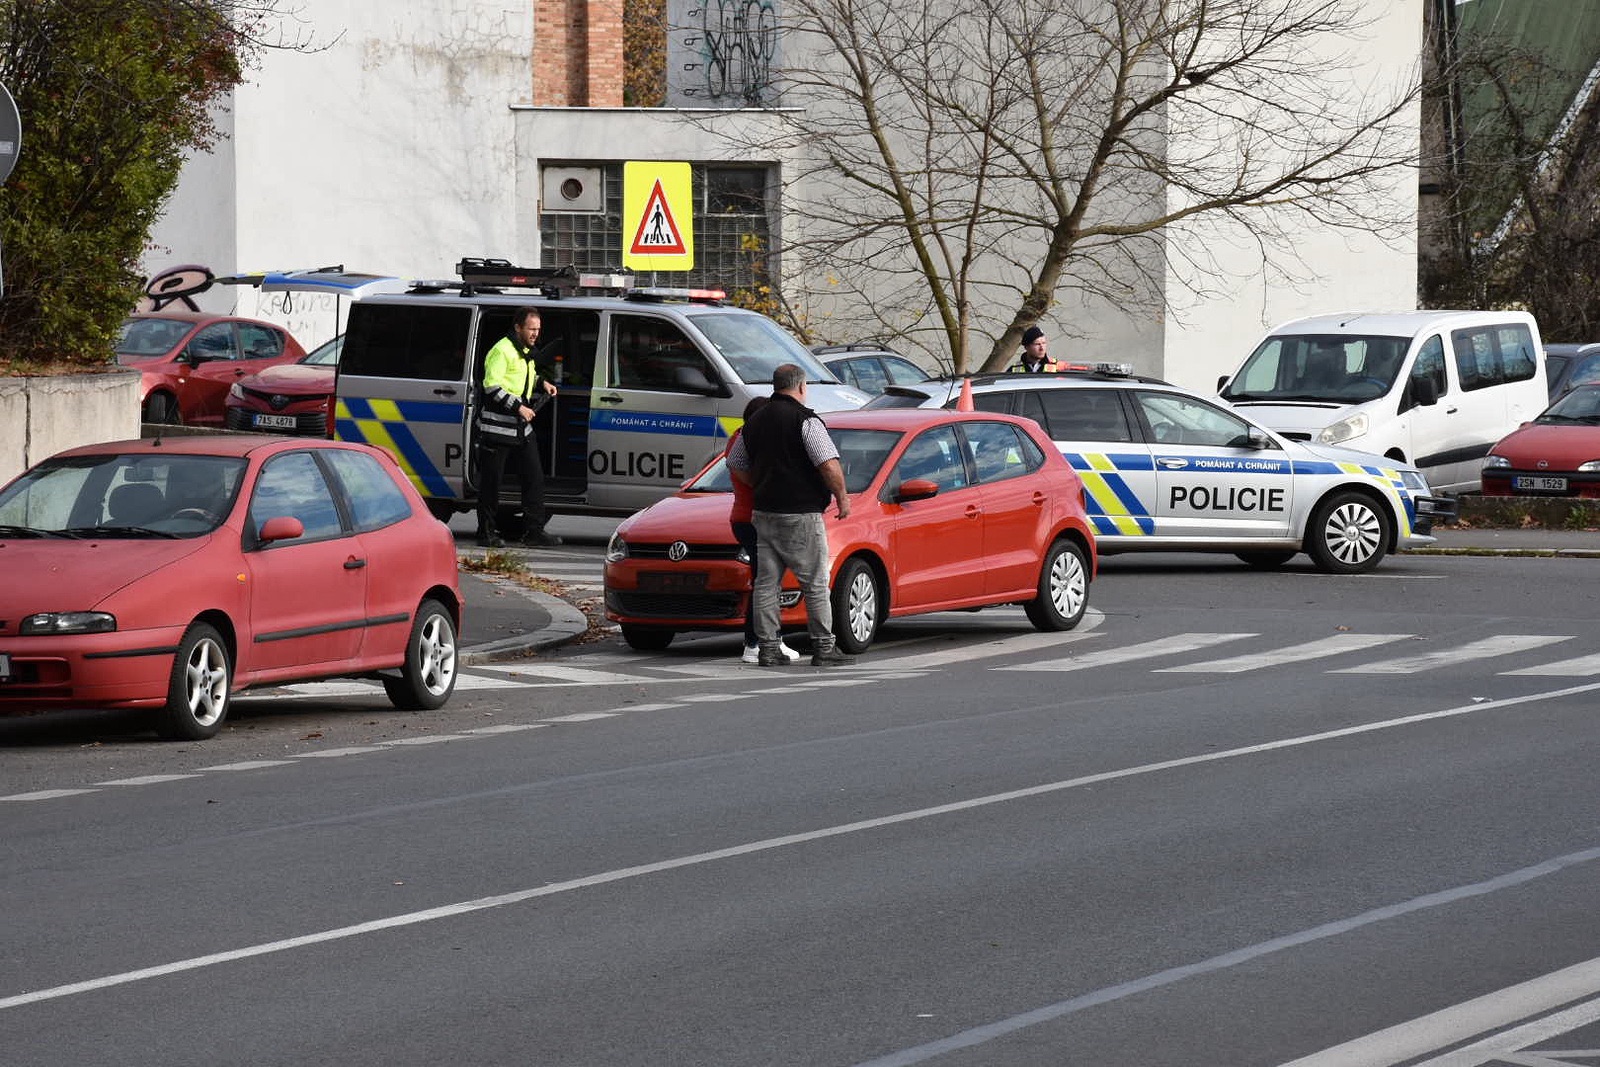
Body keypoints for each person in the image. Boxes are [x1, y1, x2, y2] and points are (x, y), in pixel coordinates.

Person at [728, 364, 855, 668]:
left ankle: (768, 648)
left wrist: (759, 484)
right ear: (801, 387)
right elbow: (827, 463)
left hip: (764, 513)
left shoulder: (754, 421)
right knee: (813, 582)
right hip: (801, 513)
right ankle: (824, 647)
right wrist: (842, 497)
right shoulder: (806, 420)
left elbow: (736, 462)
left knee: (766, 584)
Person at [476, 307, 562, 548]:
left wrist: (542, 383)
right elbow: (491, 385)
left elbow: (523, 376)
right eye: (531, 329)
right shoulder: (501, 350)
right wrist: (519, 407)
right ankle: (485, 533)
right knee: (491, 483)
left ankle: (534, 531)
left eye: (538, 329)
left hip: (520, 428)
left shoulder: (524, 352)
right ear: (518, 327)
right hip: (498, 427)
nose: (535, 334)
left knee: (534, 478)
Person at [726, 396, 800, 664]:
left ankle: (761, 641)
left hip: (743, 518)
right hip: (757, 518)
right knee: (767, 584)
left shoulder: (739, 438)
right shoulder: (748, 441)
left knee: (765, 582)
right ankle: (758, 642)